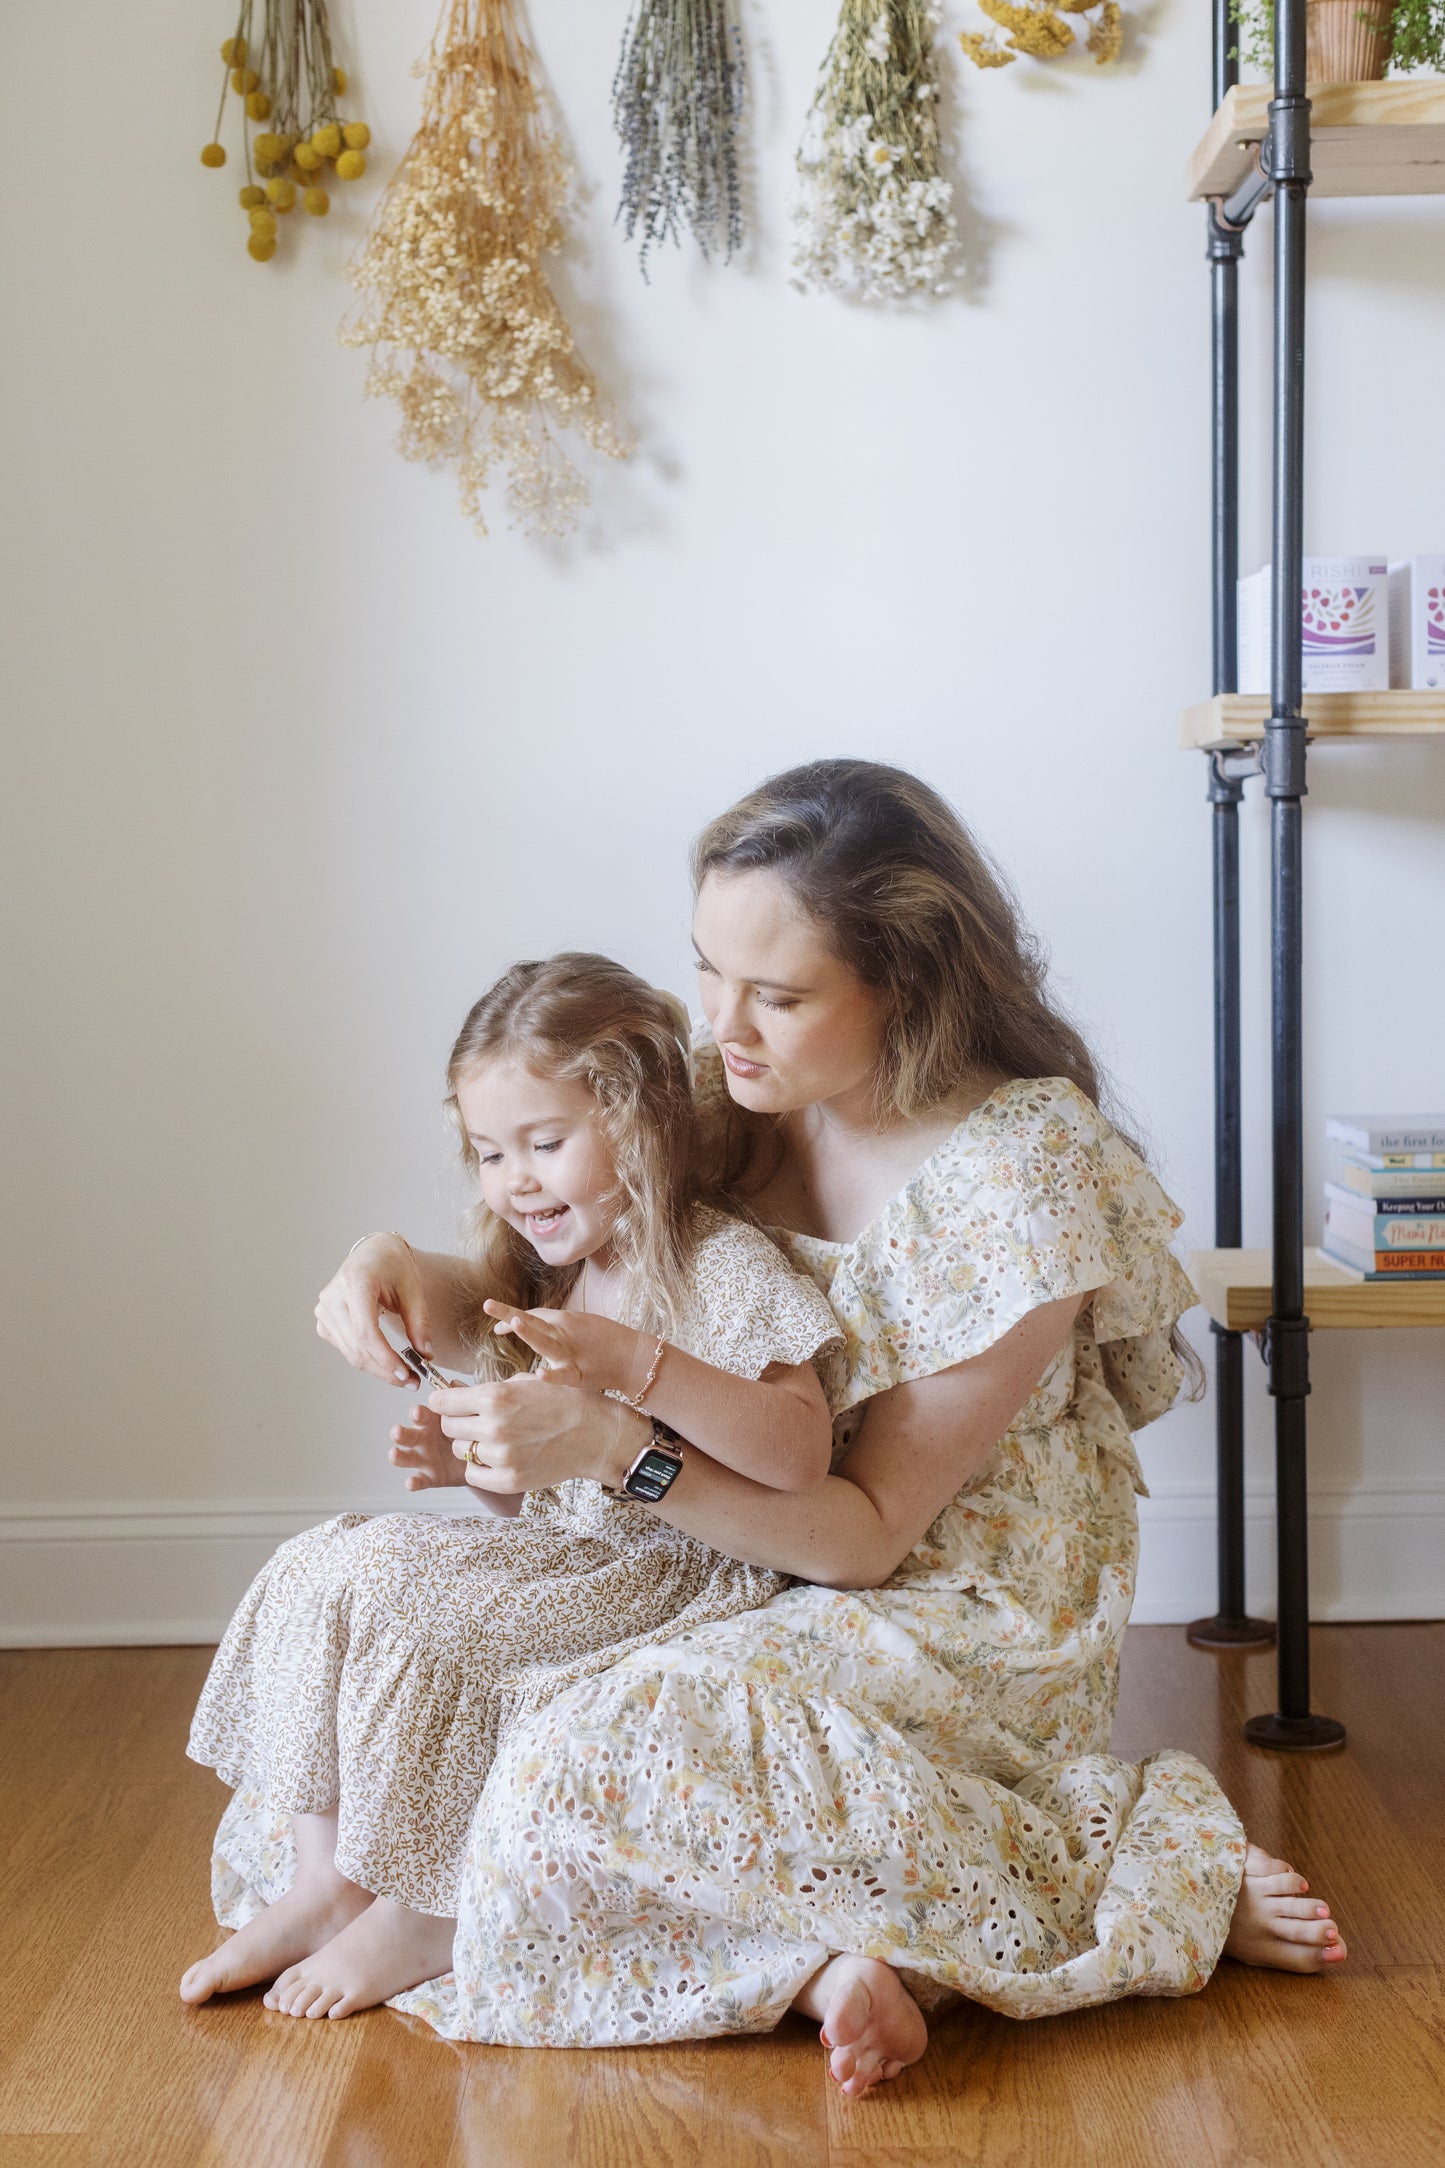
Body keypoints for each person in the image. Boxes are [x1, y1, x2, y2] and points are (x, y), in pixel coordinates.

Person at [308, 762, 1343, 2093]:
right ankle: (828, 1964)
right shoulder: (727, 1092)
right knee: (451, 1695)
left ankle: (1116, 1870)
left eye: (777, 996)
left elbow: (858, 1542)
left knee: (584, 1747)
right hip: (729, 1557)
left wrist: (614, 1450)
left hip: (944, 1601)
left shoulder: (1025, 1181)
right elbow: (552, 1271)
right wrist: (398, 1264)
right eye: (709, 972)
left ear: (905, 987)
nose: (722, 1030)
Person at [180, 954, 845, 2018]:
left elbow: (798, 1448)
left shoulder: (716, 1265)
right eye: (490, 1152)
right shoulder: (555, 1279)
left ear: (643, 1123)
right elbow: (544, 1490)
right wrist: (477, 1469)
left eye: (545, 1143)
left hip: (671, 1571)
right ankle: (324, 1878)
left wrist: (639, 1369)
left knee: (420, 1605)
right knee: (320, 1562)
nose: (515, 1180)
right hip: (573, 1552)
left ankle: (424, 1902)